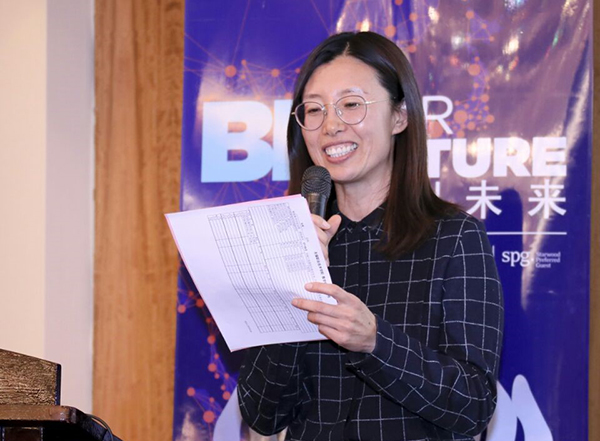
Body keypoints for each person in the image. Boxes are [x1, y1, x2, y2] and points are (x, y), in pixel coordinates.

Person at [237, 31, 503, 441]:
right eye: (315, 110)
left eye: (351, 105)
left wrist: (376, 342)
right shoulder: (289, 242)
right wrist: (292, 278)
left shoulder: (454, 237)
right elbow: (263, 414)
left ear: (400, 116)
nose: (331, 126)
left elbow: (474, 405)